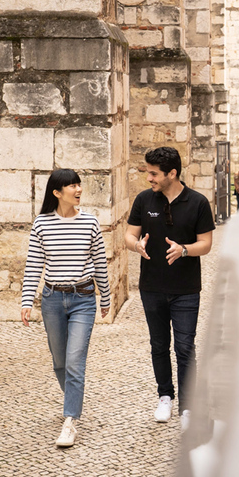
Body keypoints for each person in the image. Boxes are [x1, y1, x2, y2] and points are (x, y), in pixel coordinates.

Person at [124, 147, 215, 429]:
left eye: (154, 173)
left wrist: (184, 250)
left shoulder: (198, 202)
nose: (148, 177)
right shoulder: (143, 199)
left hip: (186, 289)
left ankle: (188, 407)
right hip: (151, 287)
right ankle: (165, 396)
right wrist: (136, 245)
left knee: (185, 347)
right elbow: (129, 234)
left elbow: (206, 244)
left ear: (172, 174)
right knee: (159, 345)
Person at [21, 168, 111, 448]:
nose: (78, 189)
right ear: (57, 193)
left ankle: (70, 420)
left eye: (79, 184)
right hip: (52, 301)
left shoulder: (90, 223)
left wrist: (105, 299)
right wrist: (26, 300)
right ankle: (73, 396)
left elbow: (100, 263)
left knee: (74, 361)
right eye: (71, 186)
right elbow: (34, 264)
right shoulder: (41, 224)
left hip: (83, 299)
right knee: (59, 362)